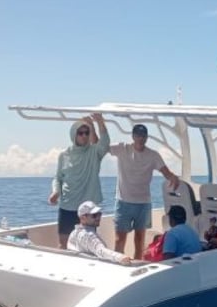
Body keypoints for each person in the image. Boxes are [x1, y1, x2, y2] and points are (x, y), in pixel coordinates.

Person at [108, 123, 181, 259]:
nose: (140, 138)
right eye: (138, 135)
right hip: (123, 201)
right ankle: (116, 265)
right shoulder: (122, 148)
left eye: (143, 135)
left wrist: (173, 177)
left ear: (146, 137)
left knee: (139, 240)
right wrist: (98, 125)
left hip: (143, 203)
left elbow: (166, 171)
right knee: (119, 239)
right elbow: (102, 146)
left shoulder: (153, 155)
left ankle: (137, 266)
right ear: (133, 136)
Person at [49, 113, 110, 249]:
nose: (84, 136)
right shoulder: (64, 155)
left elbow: (104, 143)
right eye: (80, 133)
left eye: (87, 133)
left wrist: (100, 123)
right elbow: (58, 178)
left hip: (87, 210)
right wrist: (55, 192)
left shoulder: (94, 152)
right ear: (74, 135)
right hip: (67, 206)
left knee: (89, 245)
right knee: (63, 245)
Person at [67, 200, 132, 265]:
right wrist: (120, 257)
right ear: (83, 218)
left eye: (99, 214)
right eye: (94, 215)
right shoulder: (89, 235)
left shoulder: (74, 233)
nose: (98, 217)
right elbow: (101, 251)